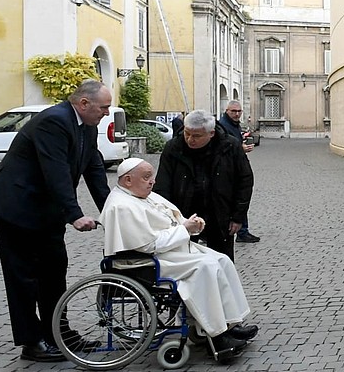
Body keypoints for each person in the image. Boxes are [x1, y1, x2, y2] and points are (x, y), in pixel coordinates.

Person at [0, 80, 113, 362]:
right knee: (23, 277)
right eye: (103, 107)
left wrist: (113, 212)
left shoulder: (88, 126)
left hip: (46, 210)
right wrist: (75, 215)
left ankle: (58, 333)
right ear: (84, 104)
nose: (107, 113)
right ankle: (32, 342)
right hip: (16, 206)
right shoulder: (54, 121)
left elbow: (94, 168)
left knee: (54, 271)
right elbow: (55, 171)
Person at [101, 159, 257, 355]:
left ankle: (231, 323)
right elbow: (148, 244)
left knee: (222, 260)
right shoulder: (121, 206)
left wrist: (191, 224)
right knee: (206, 267)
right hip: (144, 262)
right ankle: (218, 336)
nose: (152, 182)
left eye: (152, 177)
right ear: (128, 180)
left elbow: (173, 219)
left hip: (168, 252)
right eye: (146, 177)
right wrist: (184, 230)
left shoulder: (142, 194)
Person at [154, 109, 253, 261]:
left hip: (220, 212)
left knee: (222, 261)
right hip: (183, 213)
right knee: (182, 260)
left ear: (211, 133)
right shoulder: (174, 147)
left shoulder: (230, 146)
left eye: (196, 136)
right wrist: (166, 216)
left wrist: (238, 216)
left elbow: (244, 181)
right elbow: (162, 184)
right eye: (187, 133)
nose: (190, 139)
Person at [216, 100, 260, 244]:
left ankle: (242, 230)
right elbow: (221, 148)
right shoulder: (223, 125)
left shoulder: (234, 124)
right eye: (233, 111)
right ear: (227, 111)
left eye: (239, 111)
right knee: (236, 199)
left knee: (241, 198)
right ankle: (240, 231)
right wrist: (240, 149)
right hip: (228, 170)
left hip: (237, 166)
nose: (236, 114)